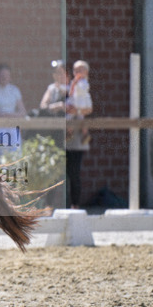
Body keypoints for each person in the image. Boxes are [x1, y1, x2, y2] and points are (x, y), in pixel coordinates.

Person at [64, 60, 94, 208]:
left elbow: (87, 108)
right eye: (75, 70)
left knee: (74, 172)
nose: (78, 73)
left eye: (81, 70)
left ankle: (74, 204)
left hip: (77, 136)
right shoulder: (72, 85)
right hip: (68, 130)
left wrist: (77, 112)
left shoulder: (83, 86)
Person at [0, 63, 26, 158]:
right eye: (2, 75)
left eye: (6, 75)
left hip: (13, 126)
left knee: (16, 153)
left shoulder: (14, 90)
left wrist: (9, 116)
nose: (4, 77)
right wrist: (12, 115)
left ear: (10, 77)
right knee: (2, 154)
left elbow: (22, 111)